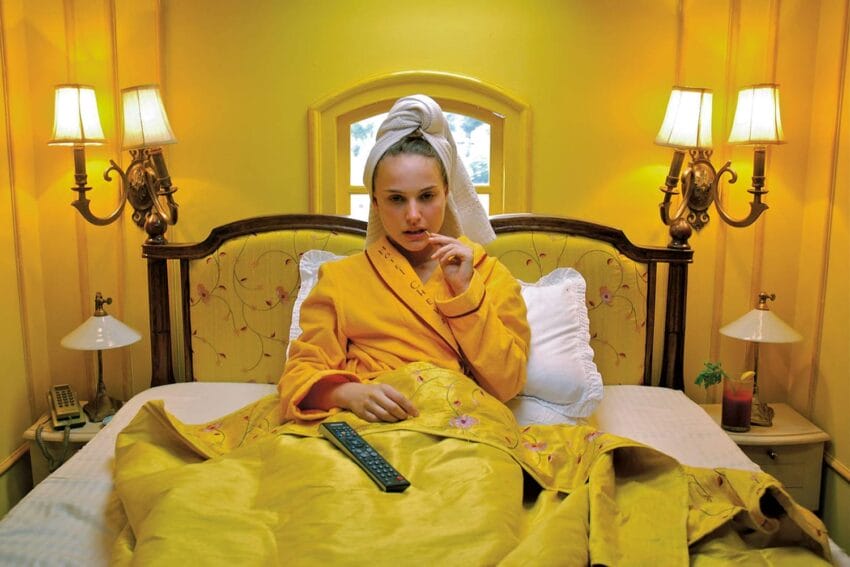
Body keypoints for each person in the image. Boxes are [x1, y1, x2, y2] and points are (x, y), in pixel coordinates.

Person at [279, 94, 530, 423]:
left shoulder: (489, 276)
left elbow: (508, 382)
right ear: (375, 203)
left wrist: (466, 293)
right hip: (365, 425)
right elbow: (298, 375)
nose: (413, 215)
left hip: (457, 431)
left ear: (447, 195)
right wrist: (348, 393)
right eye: (396, 199)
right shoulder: (340, 278)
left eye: (426, 196)